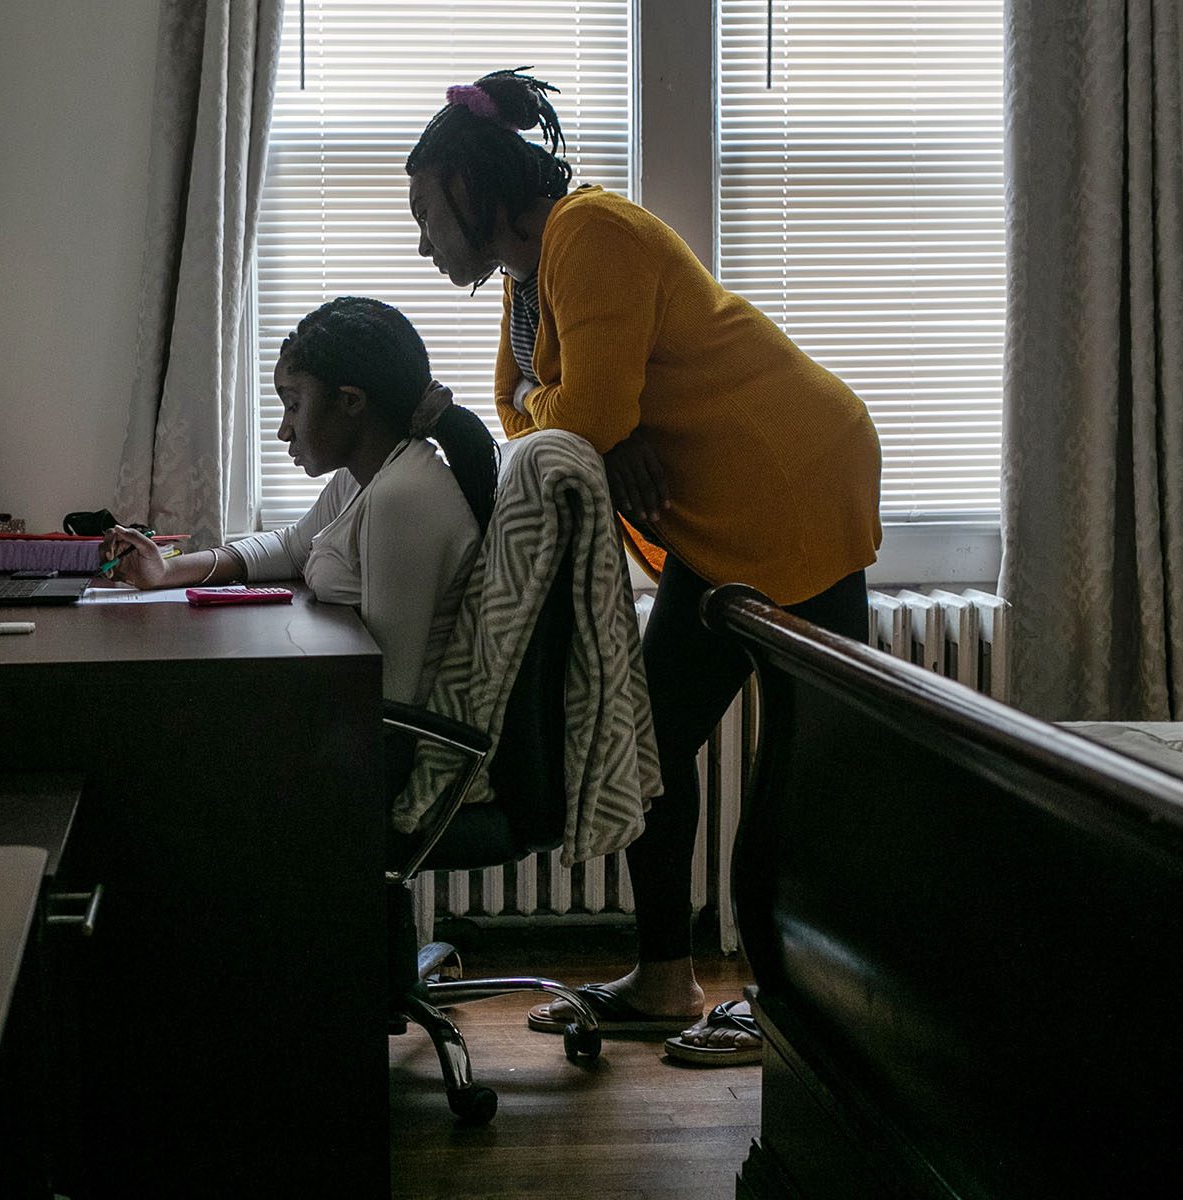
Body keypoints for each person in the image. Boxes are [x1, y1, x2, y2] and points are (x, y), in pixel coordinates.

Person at [405, 69, 882, 1064]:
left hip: (793, 483)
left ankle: (801, 1007)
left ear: (466, 185)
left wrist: (596, 422)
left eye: (424, 215)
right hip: (722, 526)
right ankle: (668, 978)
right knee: (649, 752)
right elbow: (533, 417)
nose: (422, 242)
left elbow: (577, 415)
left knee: (818, 767)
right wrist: (592, 422)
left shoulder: (592, 234)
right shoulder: (530, 280)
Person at [101, 295, 499, 709]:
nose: (283, 430)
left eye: (294, 405)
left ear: (350, 401)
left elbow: (389, 693)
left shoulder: (402, 497)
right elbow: (292, 547)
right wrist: (166, 571)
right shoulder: (363, 479)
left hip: (385, 741)